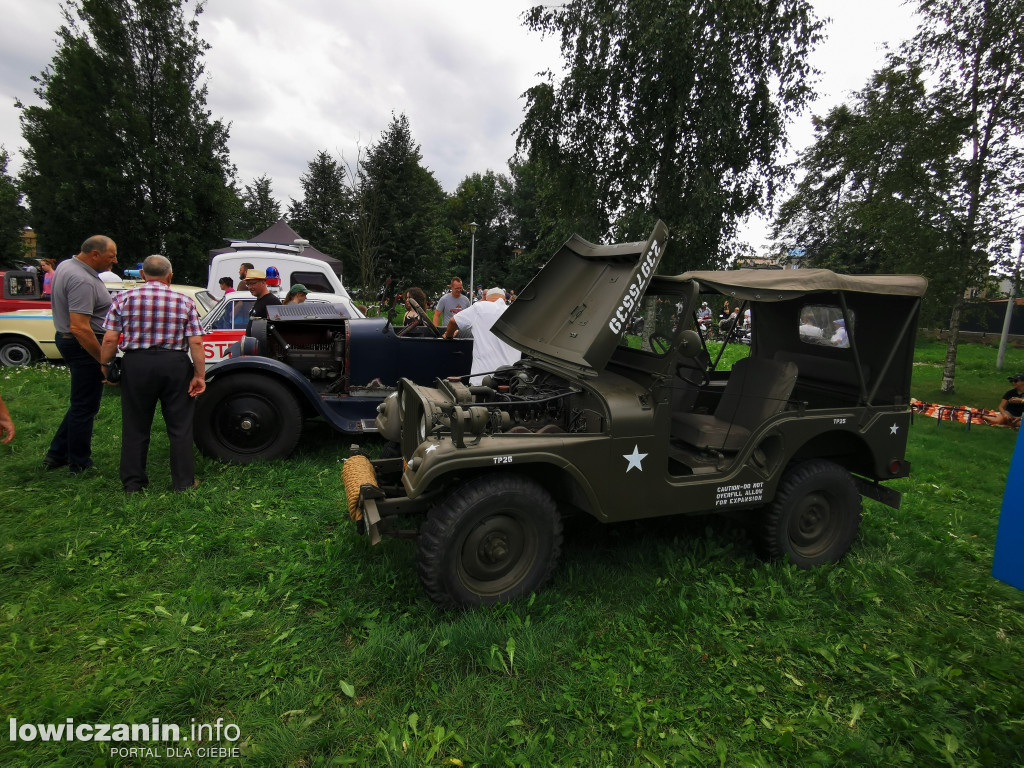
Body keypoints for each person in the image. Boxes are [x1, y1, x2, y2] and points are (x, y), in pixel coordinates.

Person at [100, 254, 206, 492]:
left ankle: (133, 483)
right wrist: (199, 375)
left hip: (137, 364)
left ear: (142, 275)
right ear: (170, 276)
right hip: (175, 364)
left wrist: (105, 366)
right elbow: (196, 343)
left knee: (135, 425)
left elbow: (109, 338)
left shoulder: (123, 298)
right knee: (180, 426)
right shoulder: (184, 301)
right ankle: (183, 482)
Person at [43, 235, 118, 474]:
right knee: (85, 406)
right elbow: (79, 326)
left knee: (80, 403)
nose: (114, 261)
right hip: (82, 343)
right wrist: (102, 359)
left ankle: (56, 454)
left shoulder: (67, 264)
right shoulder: (81, 279)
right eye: (110, 256)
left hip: (69, 340)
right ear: (94, 254)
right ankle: (79, 462)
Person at [444, 286, 521, 385]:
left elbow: (453, 321)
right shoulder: (517, 313)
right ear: (505, 299)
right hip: (512, 380)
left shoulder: (480, 307)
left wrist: (448, 335)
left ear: (485, 299)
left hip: (482, 380)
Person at [243, 268, 281, 332]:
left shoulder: (272, 301)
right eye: (248, 284)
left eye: (252, 283)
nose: (249, 287)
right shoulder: (260, 299)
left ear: (263, 282)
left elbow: (278, 329)